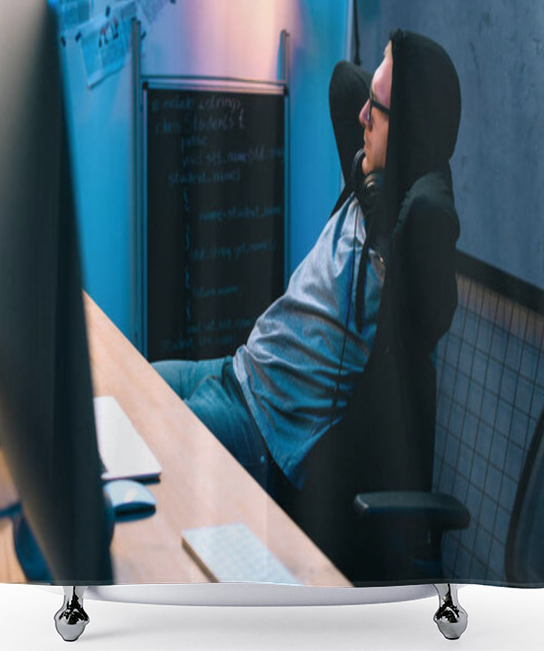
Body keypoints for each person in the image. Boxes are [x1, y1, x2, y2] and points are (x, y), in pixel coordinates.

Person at [154, 29, 461, 505]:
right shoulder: (367, 183)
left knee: (140, 438)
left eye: (375, 110)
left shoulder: (398, 247)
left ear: (405, 133)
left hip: (259, 430)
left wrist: (392, 195)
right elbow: (344, 82)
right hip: (234, 371)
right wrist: (369, 169)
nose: (361, 115)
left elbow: (432, 218)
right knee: (120, 384)